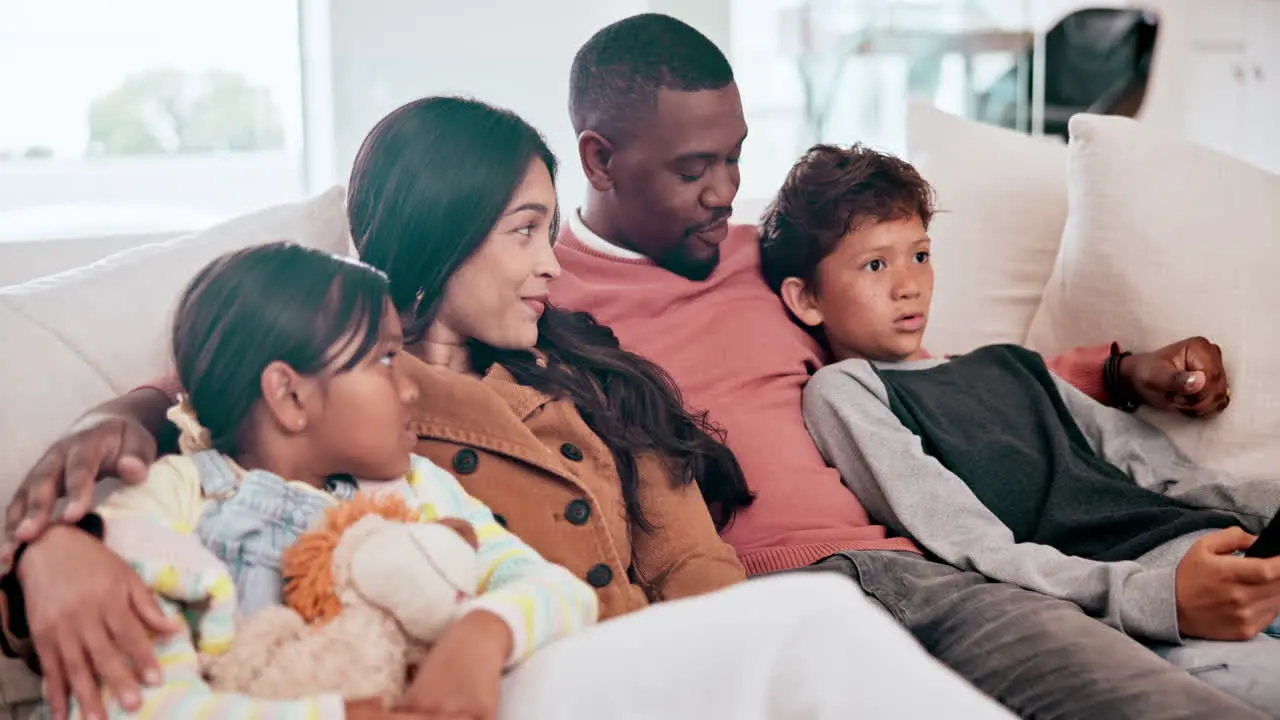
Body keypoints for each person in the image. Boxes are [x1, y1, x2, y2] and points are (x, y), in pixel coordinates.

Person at [1, 97, 1019, 720]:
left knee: (813, 629)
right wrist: (53, 537)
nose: (551, 262)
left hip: (631, 662)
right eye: (527, 231)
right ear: (443, 235)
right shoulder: (348, 400)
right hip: (524, 686)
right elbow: (202, 427)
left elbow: (683, 569)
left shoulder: (590, 375)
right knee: (813, 623)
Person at [545, 12, 1259, 720]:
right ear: (600, 160)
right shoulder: (544, 303)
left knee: (1166, 703)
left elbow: (927, 376)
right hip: (772, 601)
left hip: (931, 571)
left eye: (735, 156)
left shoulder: (758, 255)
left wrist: (1117, 373)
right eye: (694, 169)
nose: (725, 190)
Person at [758, 142, 1280, 713]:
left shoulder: (1013, 363)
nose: (909, 285)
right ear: (807, 299)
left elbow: (1170, 480)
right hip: (1160, 606)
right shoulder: (847, 390)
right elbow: (974, 548)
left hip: (1240, 554)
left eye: (921, 256)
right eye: (875, 264)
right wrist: (1157, 599)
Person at [78, 240, 599, 718]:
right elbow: (132, 701)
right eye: (386, 360)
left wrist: (484, 632)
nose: (412, 390)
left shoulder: (415, 488)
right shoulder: (171, 499)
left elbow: (558, 590)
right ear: (291, 395)